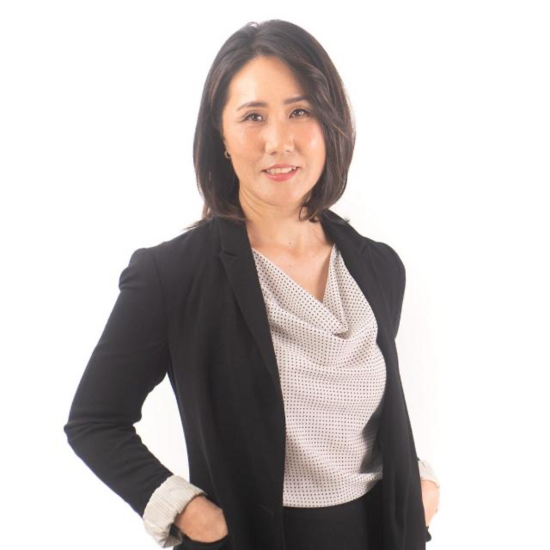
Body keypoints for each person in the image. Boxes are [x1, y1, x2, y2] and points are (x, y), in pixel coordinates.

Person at [64, 19, 440, 550]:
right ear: (221, 135)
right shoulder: (172, 276)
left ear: (329, 122)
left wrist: (417, 482)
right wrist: (186, 510)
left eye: (300, 111)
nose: (278, 141)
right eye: (253, 116)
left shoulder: (378, 267)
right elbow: (94, 421)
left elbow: (353, 417)